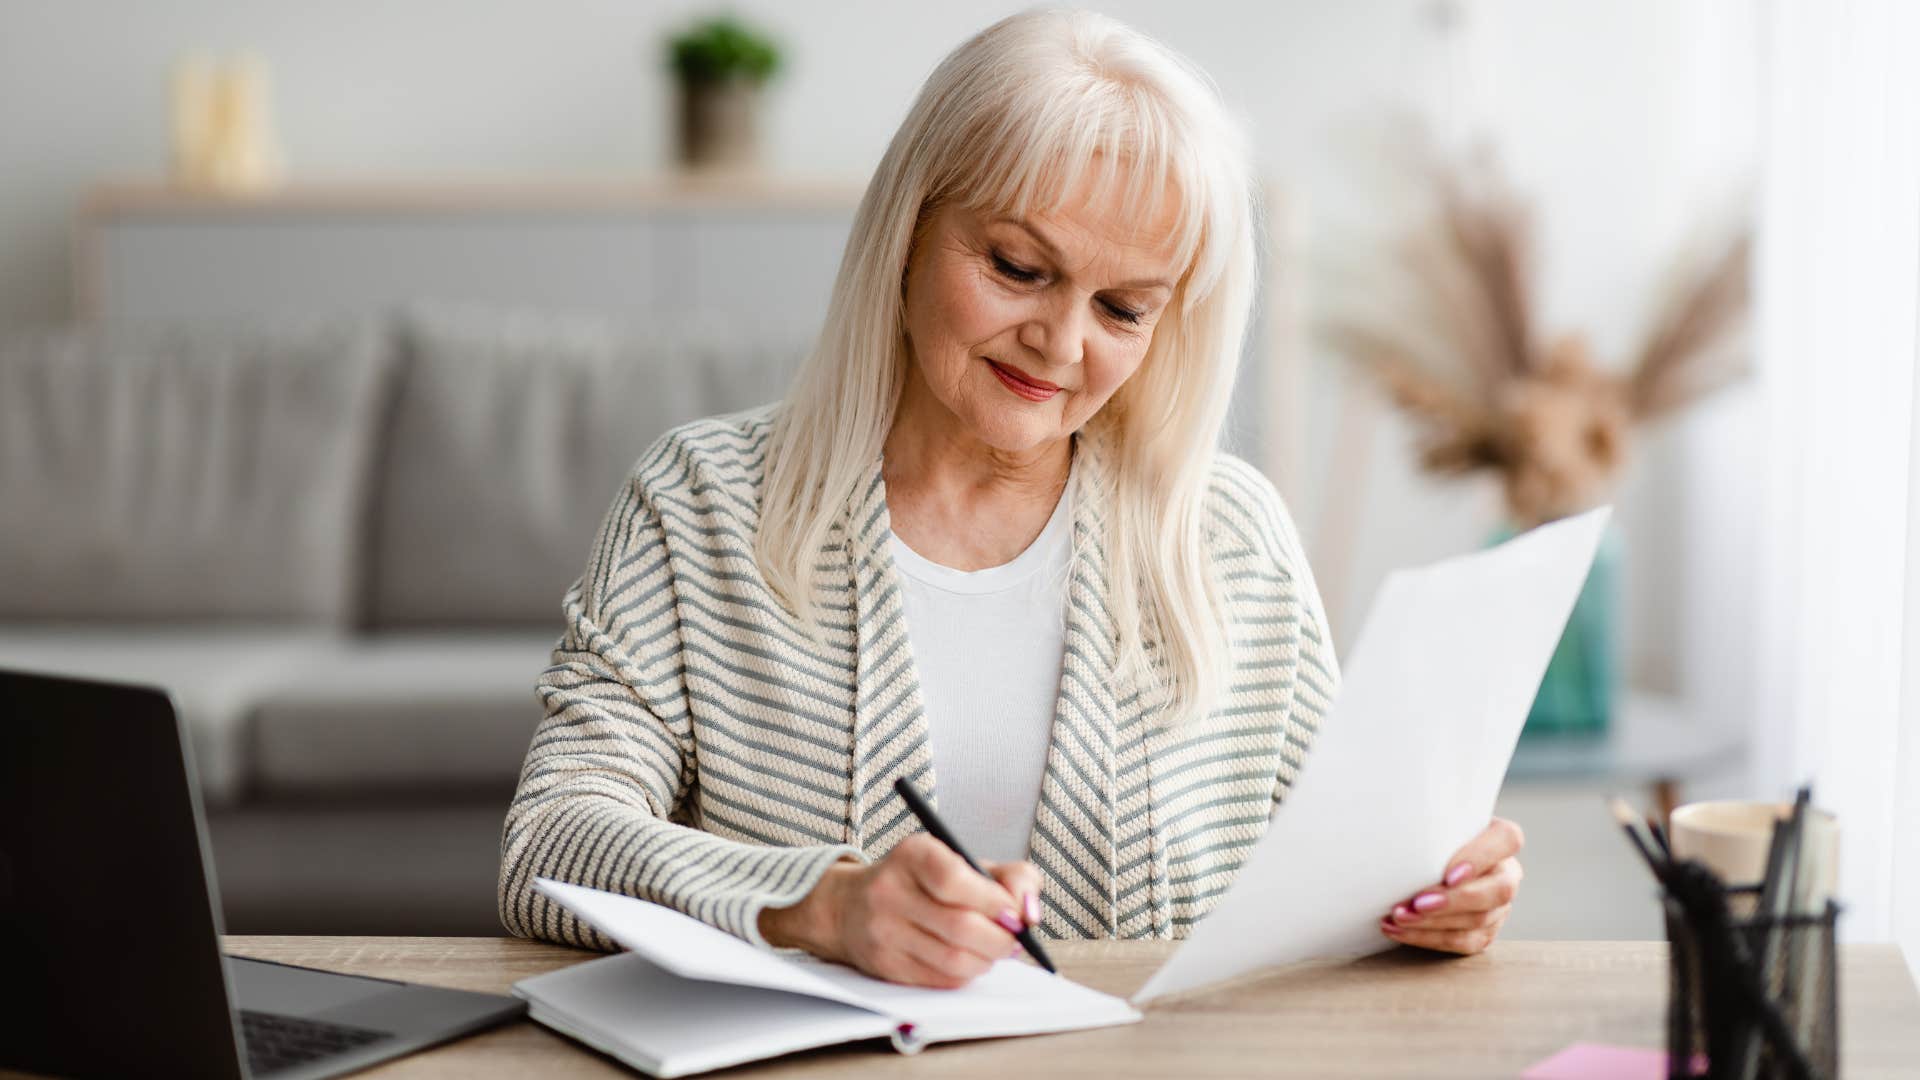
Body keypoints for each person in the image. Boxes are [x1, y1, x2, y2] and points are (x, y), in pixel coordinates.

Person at [499, 8, 1524, 989]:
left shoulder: (1229, 537)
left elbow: (1343, 869)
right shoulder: (698, 504)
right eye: (1020, 268)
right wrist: (820, 907)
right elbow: (550, 840)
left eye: (1124, 309)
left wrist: (1430, 896)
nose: (1062, 344)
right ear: (906, 232)